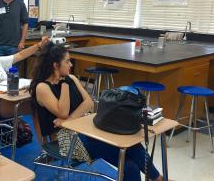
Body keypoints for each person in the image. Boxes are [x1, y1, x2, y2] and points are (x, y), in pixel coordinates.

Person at [28, 43, 164, 181]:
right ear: (56, 66)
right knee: (127, 149)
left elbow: (89, 103)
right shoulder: (42, 87)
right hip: (64, 141)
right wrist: (64, 83)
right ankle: (158, 178)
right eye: (67, 61)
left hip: (83, 132)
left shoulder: (72, 79)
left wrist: (70, 121)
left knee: (130, 165)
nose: (70, 65)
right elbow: (62, 112)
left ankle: (158, 178)